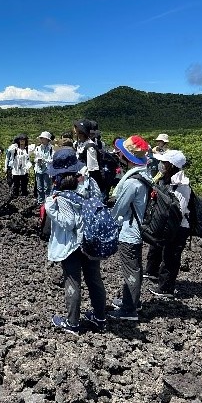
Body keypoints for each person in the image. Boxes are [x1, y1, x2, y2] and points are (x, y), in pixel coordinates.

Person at [46, 148, 107, 335]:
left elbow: (68, 222)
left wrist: (50, 207)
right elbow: (100, 200)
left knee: (72, 280)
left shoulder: (62, 192)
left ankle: (72, 323)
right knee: (94, 279)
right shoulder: (90, 183)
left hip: (71, 245)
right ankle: (100, 317)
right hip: (91, 239)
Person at [108, 135, 152, 321]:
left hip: (129, 232)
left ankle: (129, 309)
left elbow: (119, 209)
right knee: (135, 268)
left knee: (131, 269)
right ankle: (132, 301)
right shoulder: (146, 175)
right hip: (138, 230)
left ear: (127, 158)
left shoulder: (131, 182)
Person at [144, 150, 191, 299]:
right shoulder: (165, 179)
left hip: (178, 227)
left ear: (171, 166)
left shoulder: (182, 186)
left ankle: (166, 289)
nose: (160, 165)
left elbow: (179, 211)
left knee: (171, 257)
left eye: (164, 163)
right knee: (160, 250)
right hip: (168, 224)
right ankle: (152, 273)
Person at [74, 120, 104, 192]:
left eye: (76, 128)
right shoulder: (79, 144)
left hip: (87, 184)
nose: (74, 130)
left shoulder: (90, 147)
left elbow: (92, 170)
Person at [34, 131, 54, 204]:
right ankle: (40, 202)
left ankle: (47, 203)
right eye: (41, 138)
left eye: (43, 138)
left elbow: (52, 160)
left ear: (47, 139)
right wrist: (38, 160)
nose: (41, 140)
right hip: (39, 169)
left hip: (47, 170)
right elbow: (35, 159)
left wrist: (44, 160)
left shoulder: (51, 148)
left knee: (47, 187)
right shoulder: (38, 148)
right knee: (39, 187)